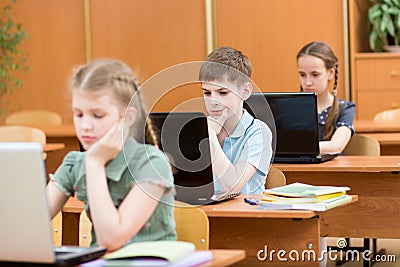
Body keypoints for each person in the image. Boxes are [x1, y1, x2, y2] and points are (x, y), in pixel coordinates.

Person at [46, 59, 176, 251]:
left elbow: (111, 240)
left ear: (128, 117)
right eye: (78, 114)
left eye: (97, 115)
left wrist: (95, 164)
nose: (85, 126)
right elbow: (28, 224)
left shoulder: (153, 164)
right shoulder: (75, 163)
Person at [199, 46, 272, 195]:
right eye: (207, 93)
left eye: (223, 92)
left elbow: (232, 185)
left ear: (245, 91)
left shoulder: (259, 132)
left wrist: (210, 135)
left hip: (245, 215)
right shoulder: (200, 128)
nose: (213, 101)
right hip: (206, 212)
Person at [297, 41, 356, 155]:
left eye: (315, 75)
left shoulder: (345, 109)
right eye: (302, 75)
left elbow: (336, 146)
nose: (308, 82)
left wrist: (295, 147)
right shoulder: (292, 107)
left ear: (330, 73)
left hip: (333, 171)